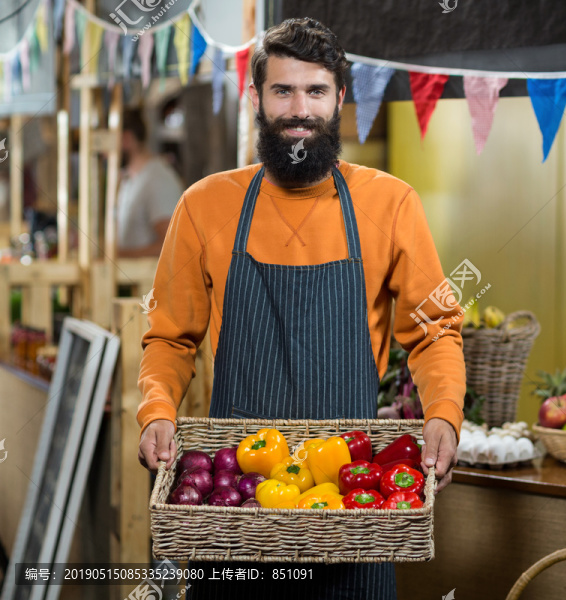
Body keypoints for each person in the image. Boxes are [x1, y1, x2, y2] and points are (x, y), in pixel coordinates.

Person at [136, 17, 466, 599]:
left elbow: (434, 330)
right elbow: (170, 337)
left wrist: (443, 411)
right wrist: (157, 409)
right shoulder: (205, 206)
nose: (298, 109)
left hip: (351, 502)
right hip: (234, 506)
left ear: (340, 98)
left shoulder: (390, 203)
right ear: (256, 98)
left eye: (315, 92)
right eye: (282, 91)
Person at [116, 108, 184, 258]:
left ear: (126, 139)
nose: (104, 154)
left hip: (148, 281)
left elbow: (171, 245)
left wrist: (119, 256)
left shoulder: (158, 179)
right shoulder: (129, 180)